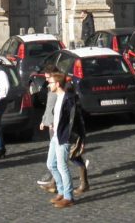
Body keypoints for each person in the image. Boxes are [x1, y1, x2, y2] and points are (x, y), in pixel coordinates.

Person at [44, 72, 79, 208]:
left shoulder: (69, 99)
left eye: (51, 82)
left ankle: (68, 197)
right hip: (55, 136)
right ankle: (61, 191)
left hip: (64, 137)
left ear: (57, 84)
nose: (48, 85)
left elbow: (75, 119)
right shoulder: (57, 97)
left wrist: (76, 137)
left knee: (62, 167)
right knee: (50, 164)